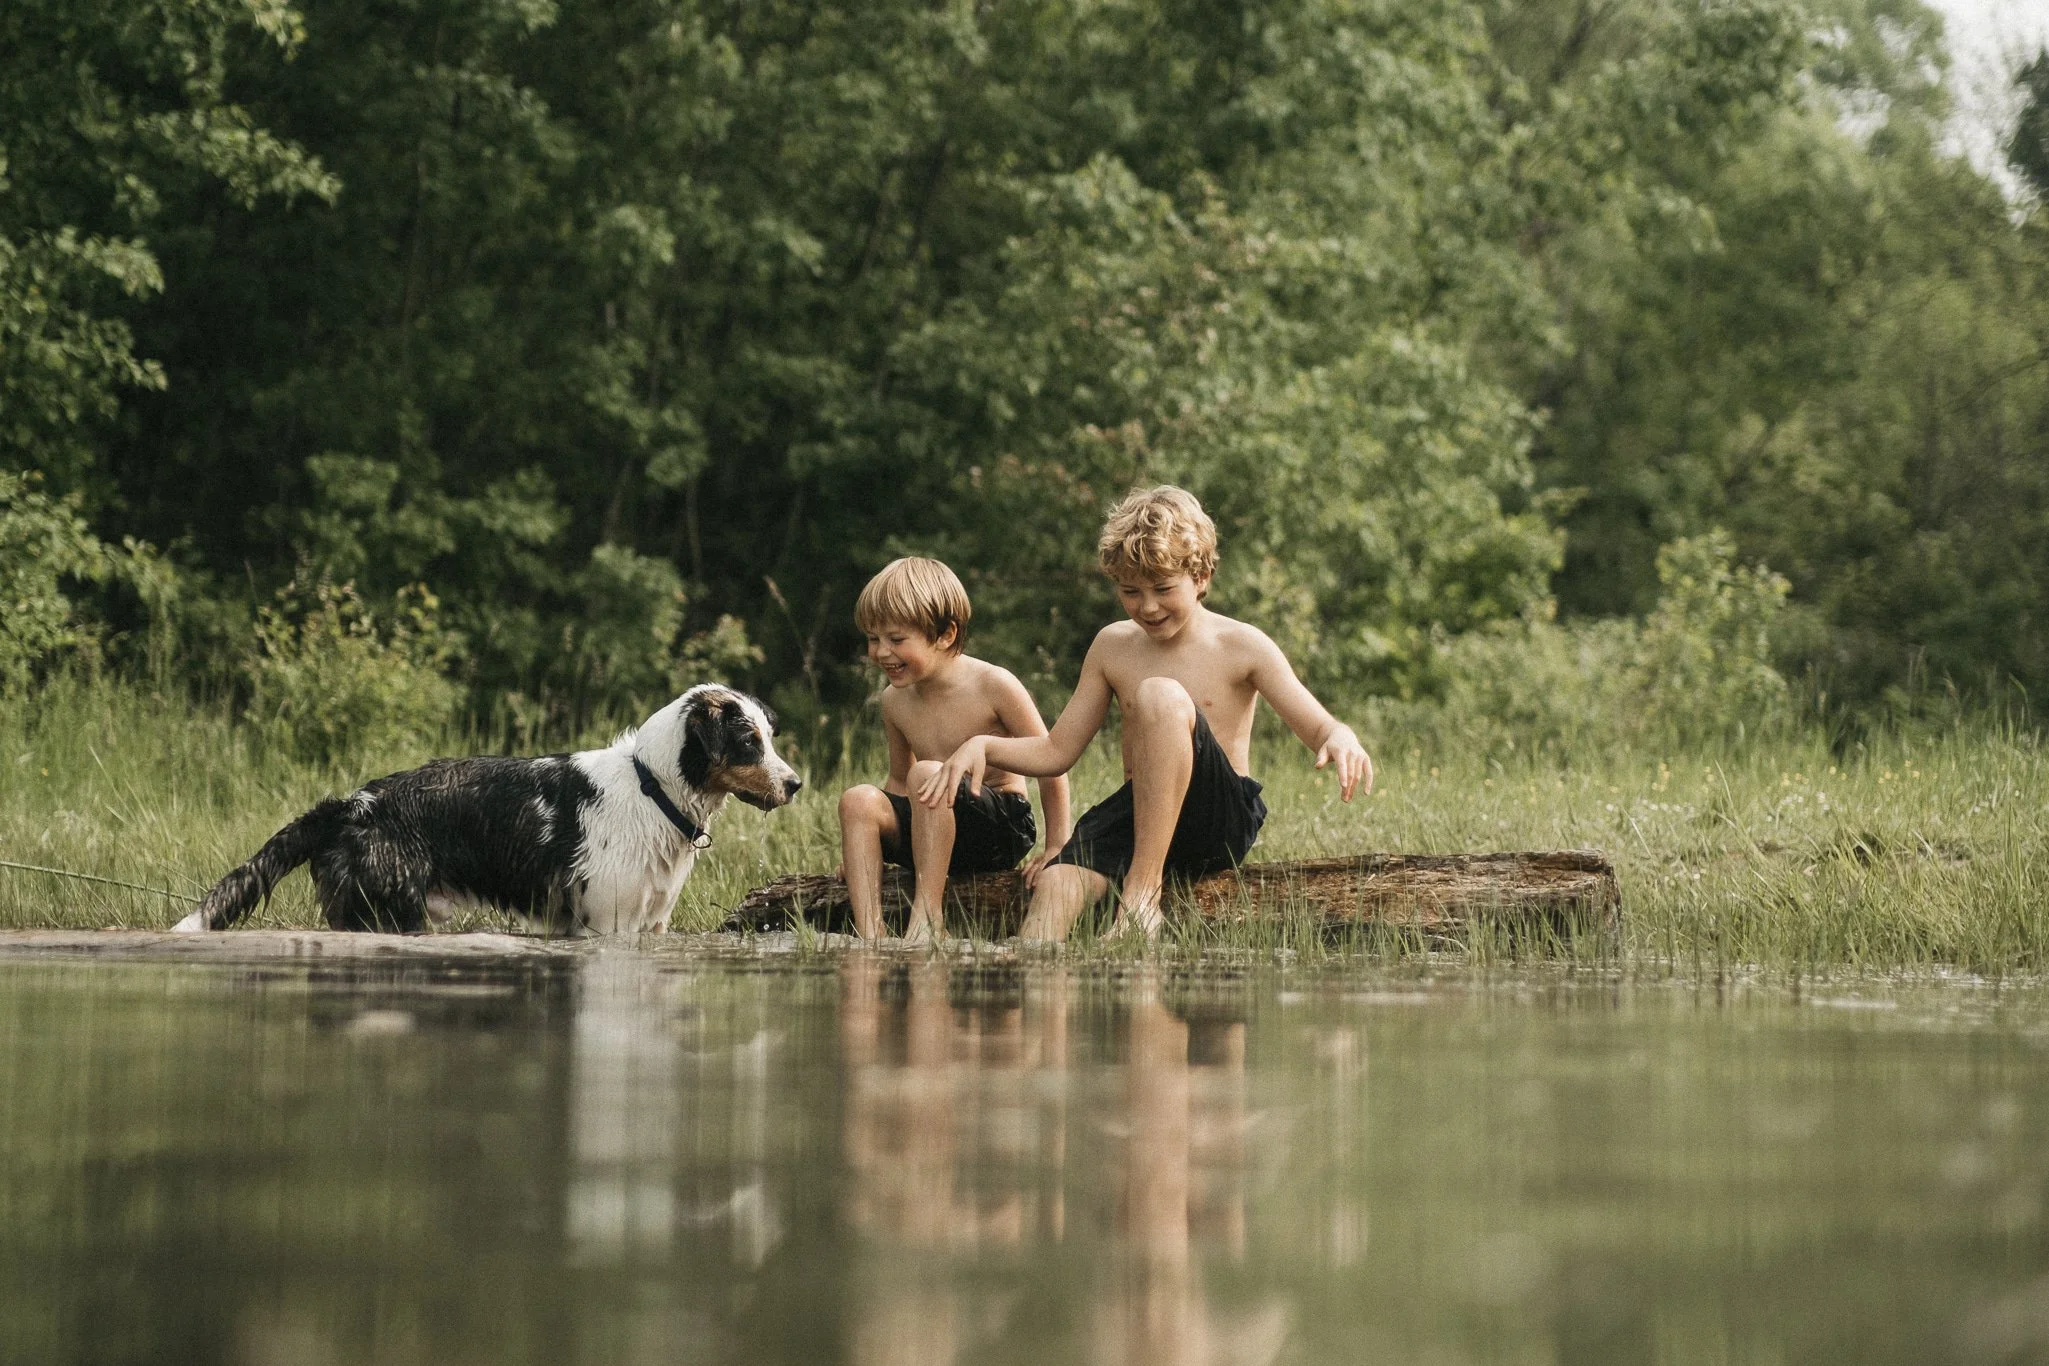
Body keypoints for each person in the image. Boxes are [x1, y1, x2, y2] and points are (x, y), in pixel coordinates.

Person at [916, 485, 1371, 941]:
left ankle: (1142, 892)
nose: (1147, 606)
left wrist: (1340, 737)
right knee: (1056, 884)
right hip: (1140, 808)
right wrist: (982, 744)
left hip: (1216, 817)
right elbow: (1058, 750)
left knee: (1159, 696)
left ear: (1202, 577)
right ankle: (1033, 983)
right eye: (1130, 591)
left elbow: (1318, 724)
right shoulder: (1112, 646)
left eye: (1163, 588)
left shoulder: (1241, 644)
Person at [838, 557, 1071, 942]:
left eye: (896, 639)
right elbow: (897, 782)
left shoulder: (994, 684)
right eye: (873, 639)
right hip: (929, 827)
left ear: (945, 634)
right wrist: (865, 845)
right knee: (857, 799)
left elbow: (1051, 762)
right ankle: (871, 936)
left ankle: (928, 921)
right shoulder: (894, 701)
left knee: (927, 772)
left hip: (997, 827)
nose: (881, 652)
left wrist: (1058, 846)